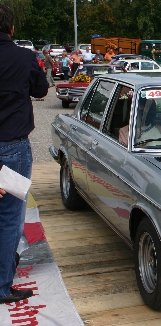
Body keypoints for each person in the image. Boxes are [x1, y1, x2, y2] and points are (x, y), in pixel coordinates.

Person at [0, 4, 48, 304]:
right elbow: (42, 90)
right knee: (9, 221)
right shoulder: (24, 57)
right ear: (12, 28)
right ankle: (2, 285)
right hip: (12, 149)